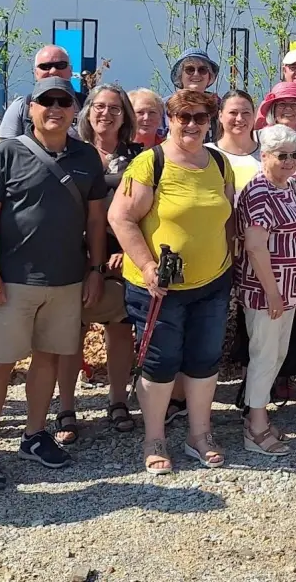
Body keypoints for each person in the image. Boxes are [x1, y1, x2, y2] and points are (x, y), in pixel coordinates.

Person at [0, 77, 108, 490]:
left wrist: (96, 270)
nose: (55, 108)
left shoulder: (86, 158)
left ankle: (34, 435)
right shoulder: (7, 153)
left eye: (64, 101)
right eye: (46, 101)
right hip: (14, 281)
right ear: (30, 108)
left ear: (74, 110)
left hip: (66, 280)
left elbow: (97, 220)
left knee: (48, 359)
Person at [109, 89, 236, 475]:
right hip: (159, 288)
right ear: (171, 118)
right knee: (160, 362)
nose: (192, 125)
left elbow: (227, 215)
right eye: (185, 117)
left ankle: (199, 434)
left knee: (204, 359)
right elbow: (121, 218)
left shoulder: (218, 162)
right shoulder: (151, 164)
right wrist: (147, 266)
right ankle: (155, 438)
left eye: (200, 118)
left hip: (212, 280)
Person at [51, 83, 140, 443]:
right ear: (87, 112)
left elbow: (147, 212)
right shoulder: (68, 153)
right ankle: (66, 408)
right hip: (72, 255)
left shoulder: (138, 157)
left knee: (120, 329)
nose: (106, 113)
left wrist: (130, 252)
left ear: (125, 116)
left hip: (121, 257)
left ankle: (118, 401)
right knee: (69, 333)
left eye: (115, 108)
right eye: (99, 107)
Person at [236, 125, 296, 457]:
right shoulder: (259, 191)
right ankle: (255, 427)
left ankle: (256, 414)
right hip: (267, 291)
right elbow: (256, 247)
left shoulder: (286, 187)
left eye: (294, 155)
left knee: (275, 354)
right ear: (265, 156)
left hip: (289, 288)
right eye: (281, 156)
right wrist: (272, 293)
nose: (289, 162)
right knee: (263, 356)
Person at [0, 44, 76, 139]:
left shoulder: (87, 106)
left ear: (71, 70)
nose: (53, 71)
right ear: (36, 73)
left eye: (60, 65)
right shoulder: (21, 107)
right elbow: (7, 150)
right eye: (45, 66)